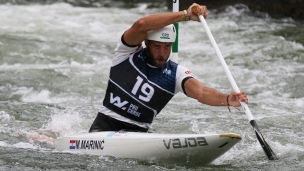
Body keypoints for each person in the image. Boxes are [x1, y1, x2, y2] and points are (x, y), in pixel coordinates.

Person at [89, 3, 248, 133]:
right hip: (103, 127)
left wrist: (227, 99)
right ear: (147, 43)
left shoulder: (175, 73)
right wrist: (186, 15)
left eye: (167, 47)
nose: (162, 53)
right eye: (157, 46)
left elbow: (202, 92)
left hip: (137, 134)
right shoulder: (126, 53)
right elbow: (141, 24)